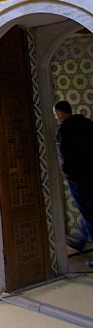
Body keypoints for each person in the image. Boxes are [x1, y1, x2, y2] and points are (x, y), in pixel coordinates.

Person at [53, 100, 93, 260]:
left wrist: (68, 173)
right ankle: (79, 239)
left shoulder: (64, 130)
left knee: (89, 212)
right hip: (91, 174)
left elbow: (65, 155)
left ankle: (80, 239)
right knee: (88, 208)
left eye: (55, 113)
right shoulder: (87, 124)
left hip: (78, 178)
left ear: (60, 113)